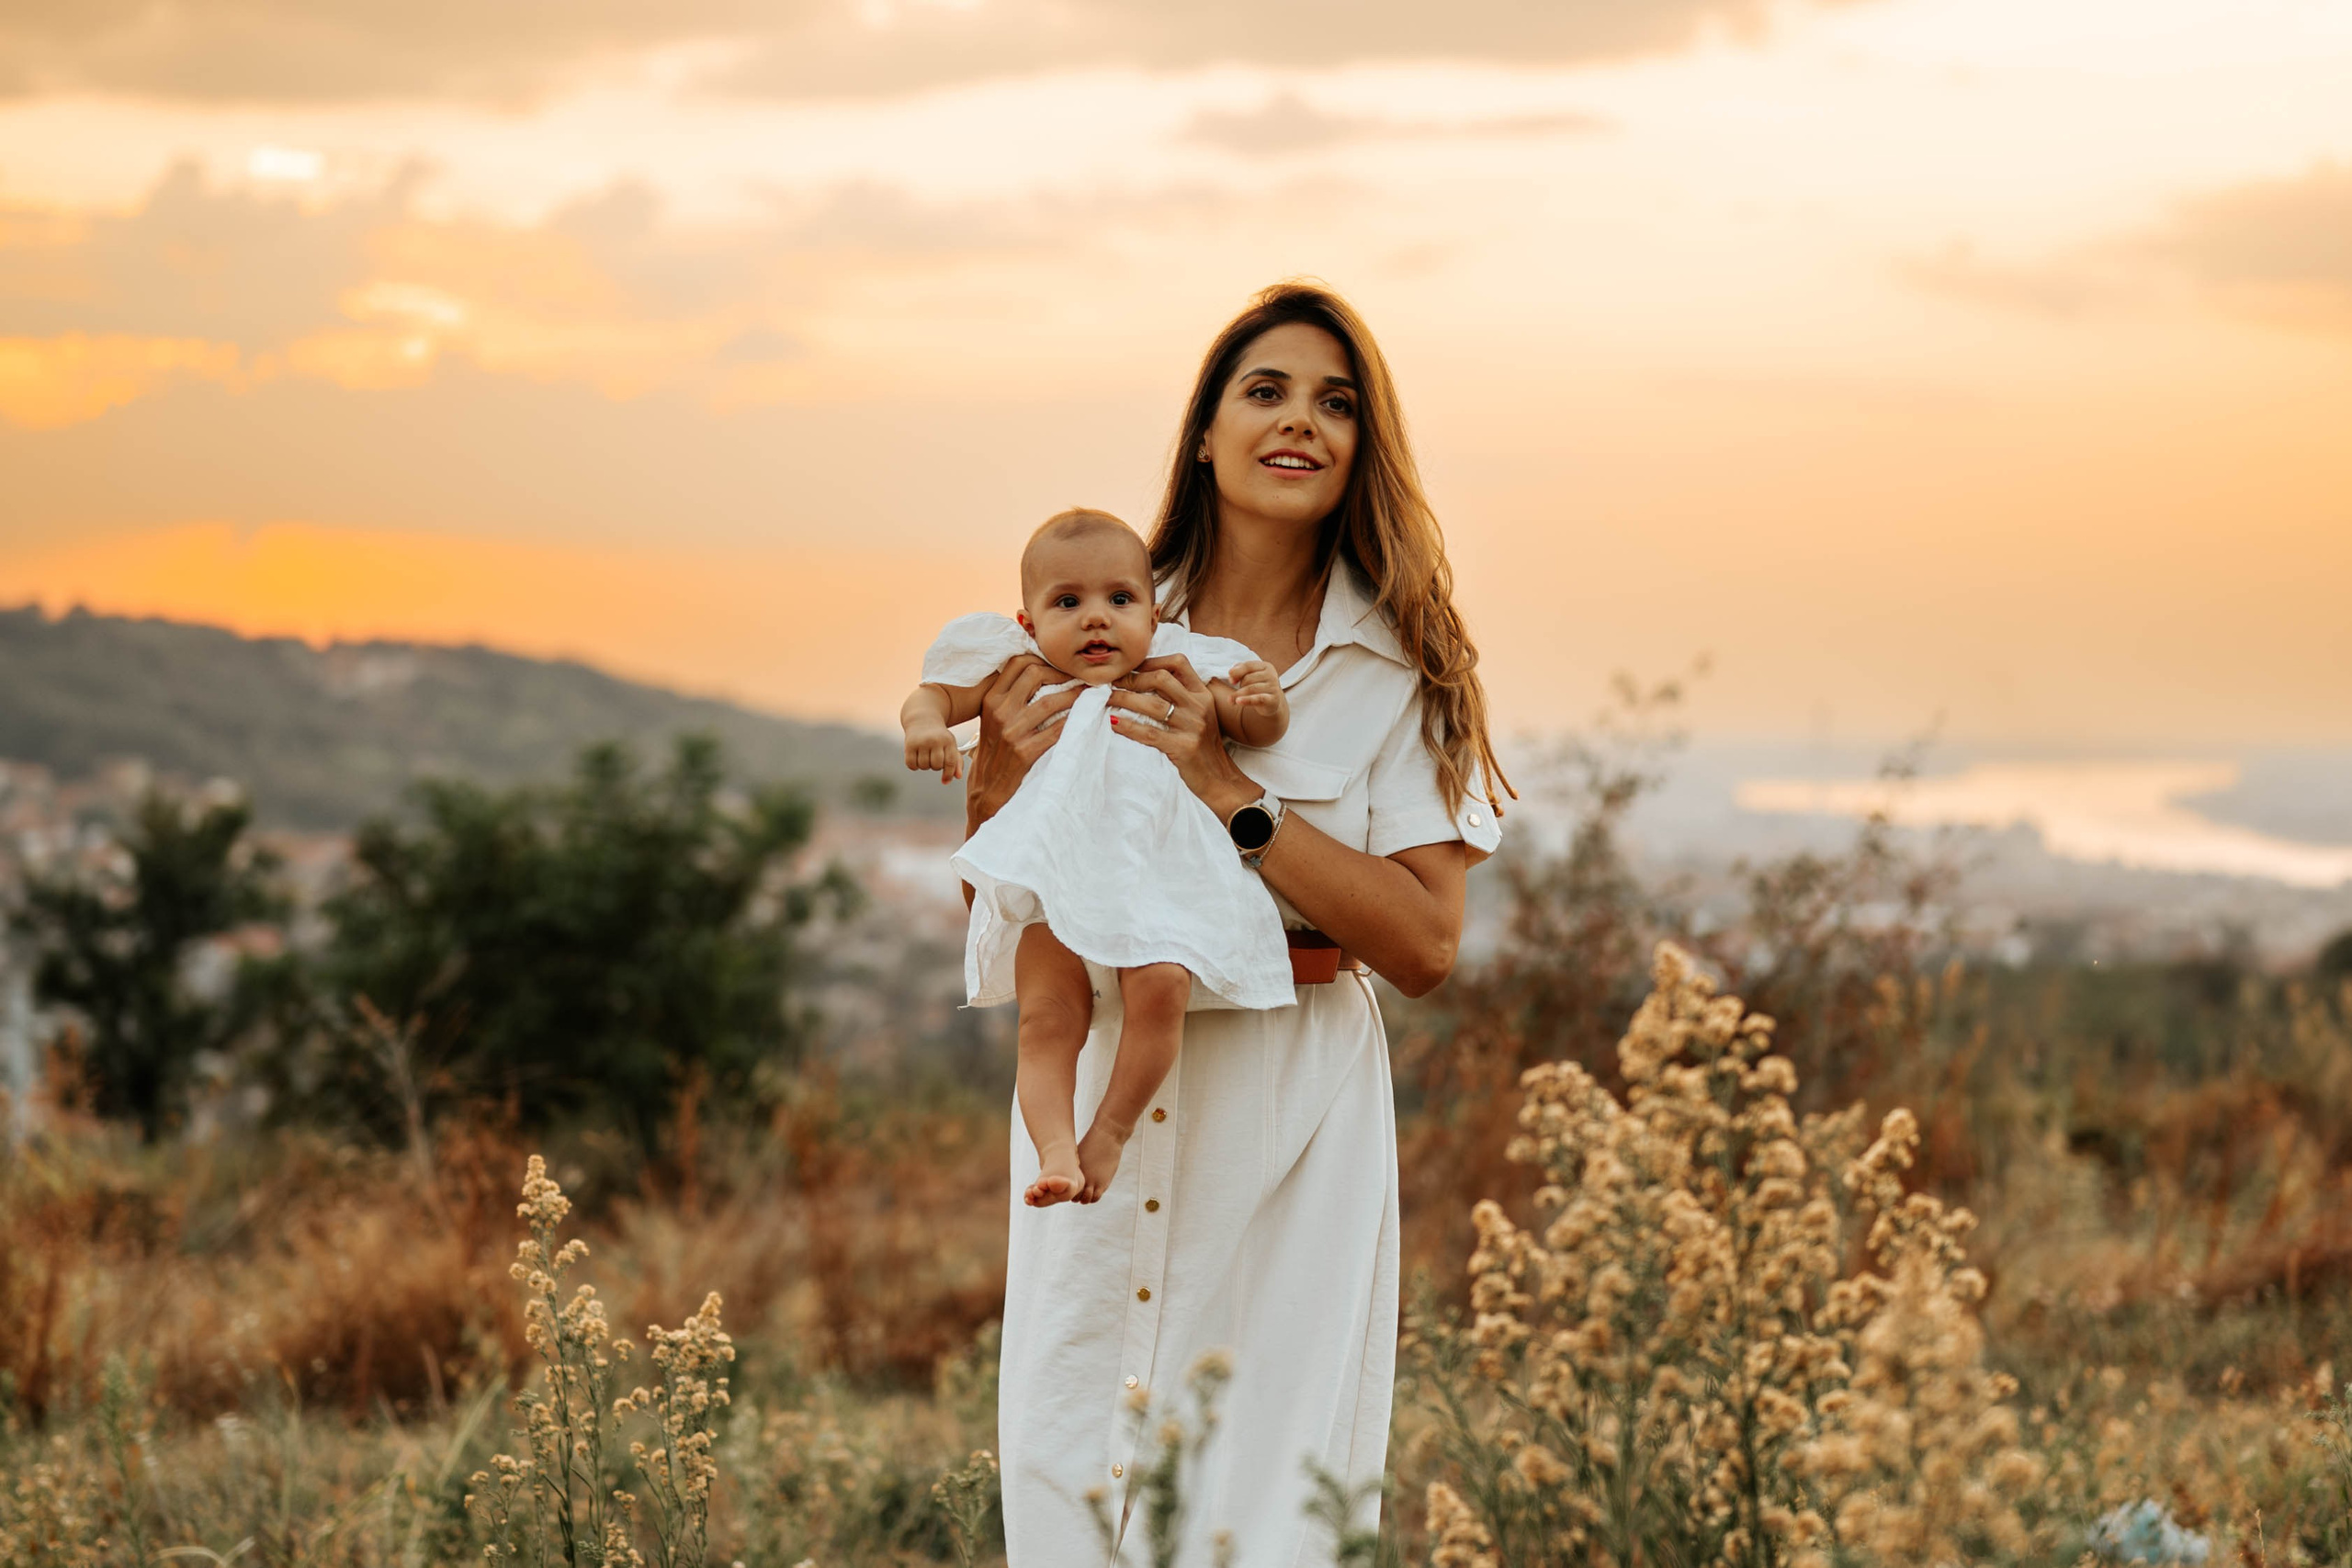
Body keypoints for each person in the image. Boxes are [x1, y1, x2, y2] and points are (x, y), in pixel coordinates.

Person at [967, 282, 1513, 1562]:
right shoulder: (1087, 612)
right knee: (1071, 1459)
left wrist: (1233, 795)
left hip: (1293, 1091)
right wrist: (997, 771)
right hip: (1104, 1063)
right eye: (1265, 391)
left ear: (1363, 449)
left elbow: (1429, 947)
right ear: (1204, 433)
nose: (1300, 423)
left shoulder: (1406, 661)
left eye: (1337, 404)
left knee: (1270, 1485)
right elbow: (1008, 885)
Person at [902, 507, 1295, 1208]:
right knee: (1046, 1016)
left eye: (1120, 600)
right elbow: (935, 691)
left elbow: (1250, 723)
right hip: (1054, 881)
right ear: (1026, 623)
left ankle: (1109, 1132)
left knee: (1164, 988)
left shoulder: (1178, 664)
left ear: (1153, 611)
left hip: (1156, 883)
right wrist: (926, 724)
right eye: (1067, 602)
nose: (1096, 619)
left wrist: (1266, 703)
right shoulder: (1015, 667)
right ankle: (1055, 1148)